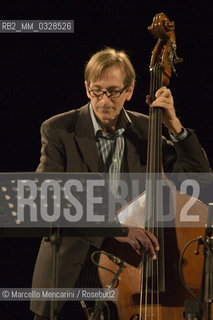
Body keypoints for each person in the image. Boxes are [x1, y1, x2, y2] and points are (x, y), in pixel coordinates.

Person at [30, 47, 211, 320]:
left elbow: (199, 179)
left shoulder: (147, 129)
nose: (104, 100)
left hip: (130, 269)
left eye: (113, 91)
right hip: (72, 267)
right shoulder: (58, 129)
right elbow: (48, 200)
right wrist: (116, 228)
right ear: (86, 88)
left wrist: (174, 126)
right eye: (96, 90)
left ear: (129, 90)